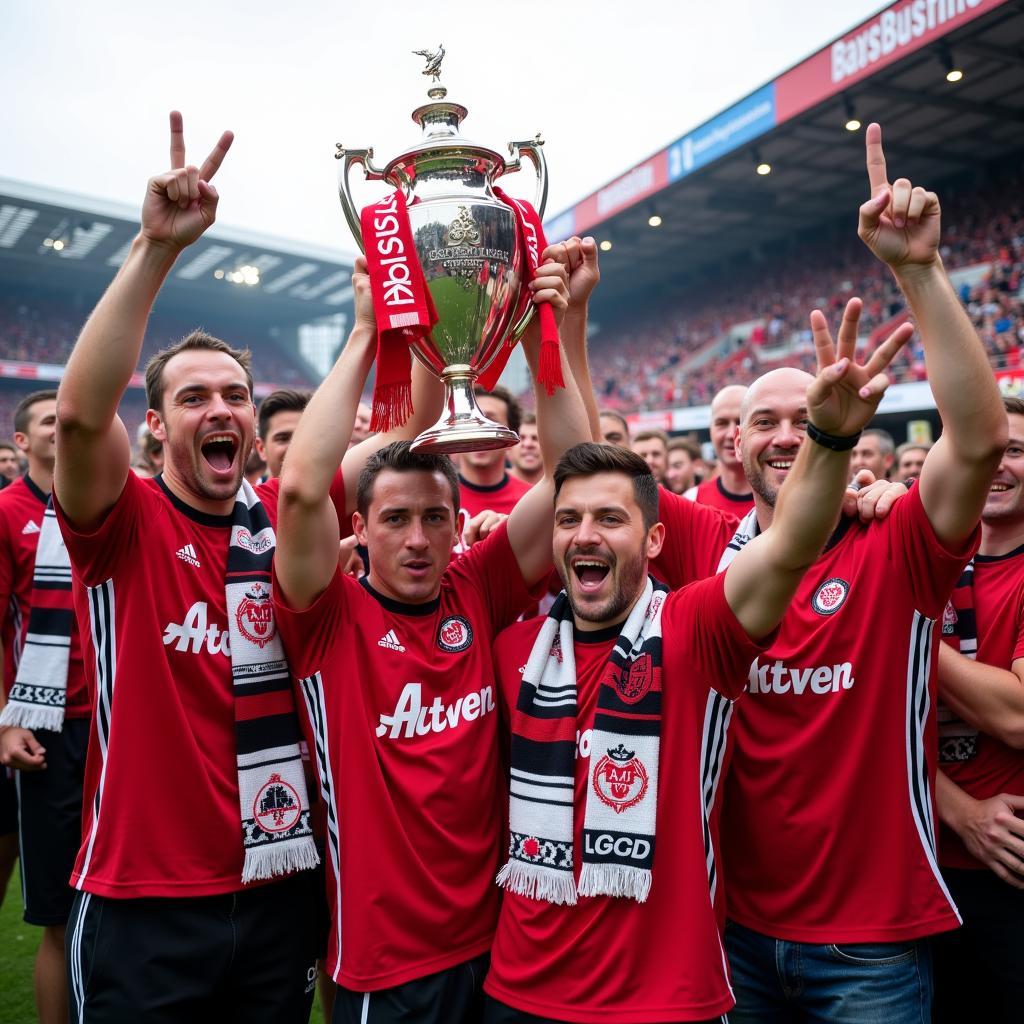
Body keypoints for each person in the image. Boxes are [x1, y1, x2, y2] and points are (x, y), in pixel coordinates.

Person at [484, 305, 909, 1023]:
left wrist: (831, 438)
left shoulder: (699, 627)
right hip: (519, 993)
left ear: (655, 542)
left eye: (610, 520)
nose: (585, 532)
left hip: (669, 997)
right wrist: (548, 328)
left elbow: (788, 546)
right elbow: (573, 463)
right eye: (566, 520)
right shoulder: (508, 651)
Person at [720, 123, 1006, 1023]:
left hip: (869, 948)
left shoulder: (895, 545)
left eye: (799, 415)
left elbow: (980, 443)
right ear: (731, 444)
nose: (778, 435)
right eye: (757, 421)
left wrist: (917, 272)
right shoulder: (706, 550)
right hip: (733, 931)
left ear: (831, 421)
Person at [52, 111, 328, 1023]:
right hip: (143, 898)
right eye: (194, 396)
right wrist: (154, 250)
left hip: (276, 881)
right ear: (159, 426)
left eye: (237, 395)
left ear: (254, 421)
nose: (223, 408)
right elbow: (84, 417)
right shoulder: (125, 521)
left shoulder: (292, 533)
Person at [273, 242, 587, 1023]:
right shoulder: (326, 614)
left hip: (498, 938)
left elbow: (573, 473)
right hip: (384, 960)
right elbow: (302, 486)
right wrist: (363, 333)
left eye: (434, 518)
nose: (417, 539)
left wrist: (537, 332)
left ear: (457, 526)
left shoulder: (475, 588)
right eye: (395, 519)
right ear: (360, 527)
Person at [930, 395, 1024, 1021]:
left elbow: (1018, 716)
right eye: (982, 450)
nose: (995, 465)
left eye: (1012, 450)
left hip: (1010, 876)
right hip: (922, 869)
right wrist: (958, 809)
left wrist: (902, 629)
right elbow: (873, 718)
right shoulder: (919, 554)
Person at [0, 389, 88, 1024]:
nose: (65, 429)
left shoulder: (116, 500)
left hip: (122, 724)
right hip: (49, 728)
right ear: (23, 441)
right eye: (50, 423)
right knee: (57, 913)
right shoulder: (8, 511)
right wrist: (4, 717)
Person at [457, 385, 532, 518]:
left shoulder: (531, 502)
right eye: (472, 420)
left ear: (512, 438)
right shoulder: (436, 496)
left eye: (491, 422)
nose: (480, 431)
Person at [684, 384, 754, 515]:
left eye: (740, 421)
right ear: (710, 429)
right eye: (721, 423)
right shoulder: (691, 501)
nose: (731, 434)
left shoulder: (785, 499)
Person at [255, 388, 310, 479]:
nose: (294, 449)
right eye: (283, 439)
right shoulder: (245, 493)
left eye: (303, 438)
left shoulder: (336, 491)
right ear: (261, 448)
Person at [509, 412, 542, 486]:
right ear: (509, 448)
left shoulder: (563, 488)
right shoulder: (489, 484)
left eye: (535, 438)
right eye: (521, 438)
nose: (528, 444)